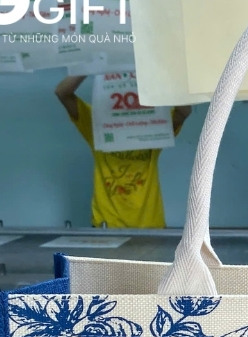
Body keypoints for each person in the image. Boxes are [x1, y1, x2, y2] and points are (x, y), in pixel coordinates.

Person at [55, 75, 191, 228]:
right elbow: (62, 92)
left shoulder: (152, 126)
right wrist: (89, 66)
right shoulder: (97, 124)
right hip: (107, 226)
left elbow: (184, 111)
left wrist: (162, 73)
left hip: (151, 227)